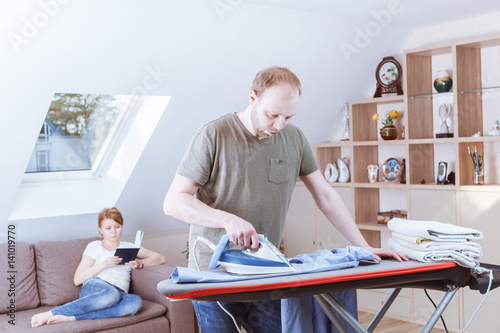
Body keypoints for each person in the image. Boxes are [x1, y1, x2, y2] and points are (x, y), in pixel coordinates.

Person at [163, 66, 407, 332]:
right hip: (213, 276)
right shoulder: (214, 135)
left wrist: (364, 246)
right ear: (253, 98)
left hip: (266, 270)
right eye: (273, 115)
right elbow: (174, 201)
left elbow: (325, 195)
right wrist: (227, 220)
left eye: (288, 117)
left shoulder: (294, 138)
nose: (279, 125)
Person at [31, 207, 167, 328]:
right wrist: (104, 264)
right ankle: (51, 313)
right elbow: (78, 279)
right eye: (108, 228)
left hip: (120, 292)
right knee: (111, 294)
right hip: (95, 287)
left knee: (135, 302)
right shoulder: (95, 246)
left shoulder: (129, 247)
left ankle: (72, 318)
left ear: (122, 226)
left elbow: (160, 258)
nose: (113, 232)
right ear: (100, 229)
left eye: (117, 226)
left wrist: (139, 264)